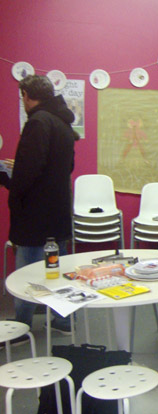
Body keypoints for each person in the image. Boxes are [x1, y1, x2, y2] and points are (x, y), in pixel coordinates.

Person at [5, 75, 77, 341]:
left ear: (26, 95)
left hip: (35, 215)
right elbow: (65, 166)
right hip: (58, 211)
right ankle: (64, 320)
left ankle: (21, 327)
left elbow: (29, 171)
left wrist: (10, 183)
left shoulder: (37, 122)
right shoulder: (62, 123)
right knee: (57, 269)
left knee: (27, 273)